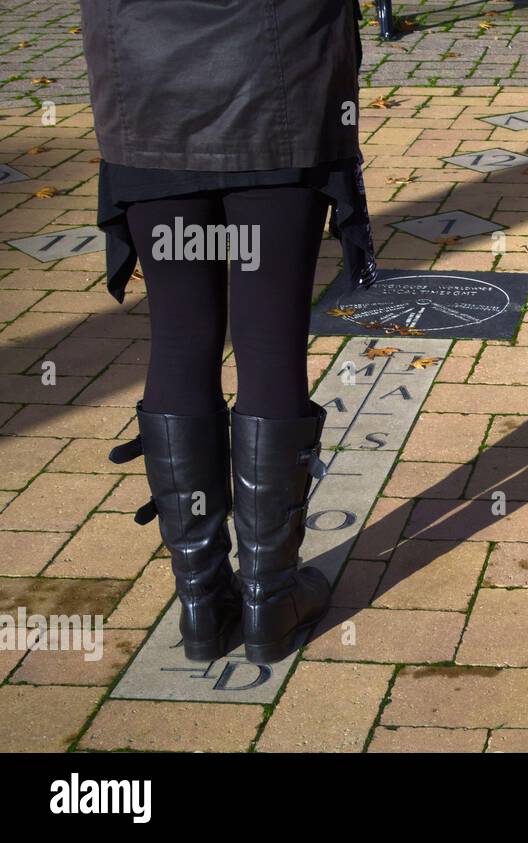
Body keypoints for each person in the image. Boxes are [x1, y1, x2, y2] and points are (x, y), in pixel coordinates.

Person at [80, 0, 377, 665]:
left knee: (181, 334)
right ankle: (269, 596)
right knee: (270, 342)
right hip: (282, 70)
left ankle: (201, 601)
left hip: (145, 75)